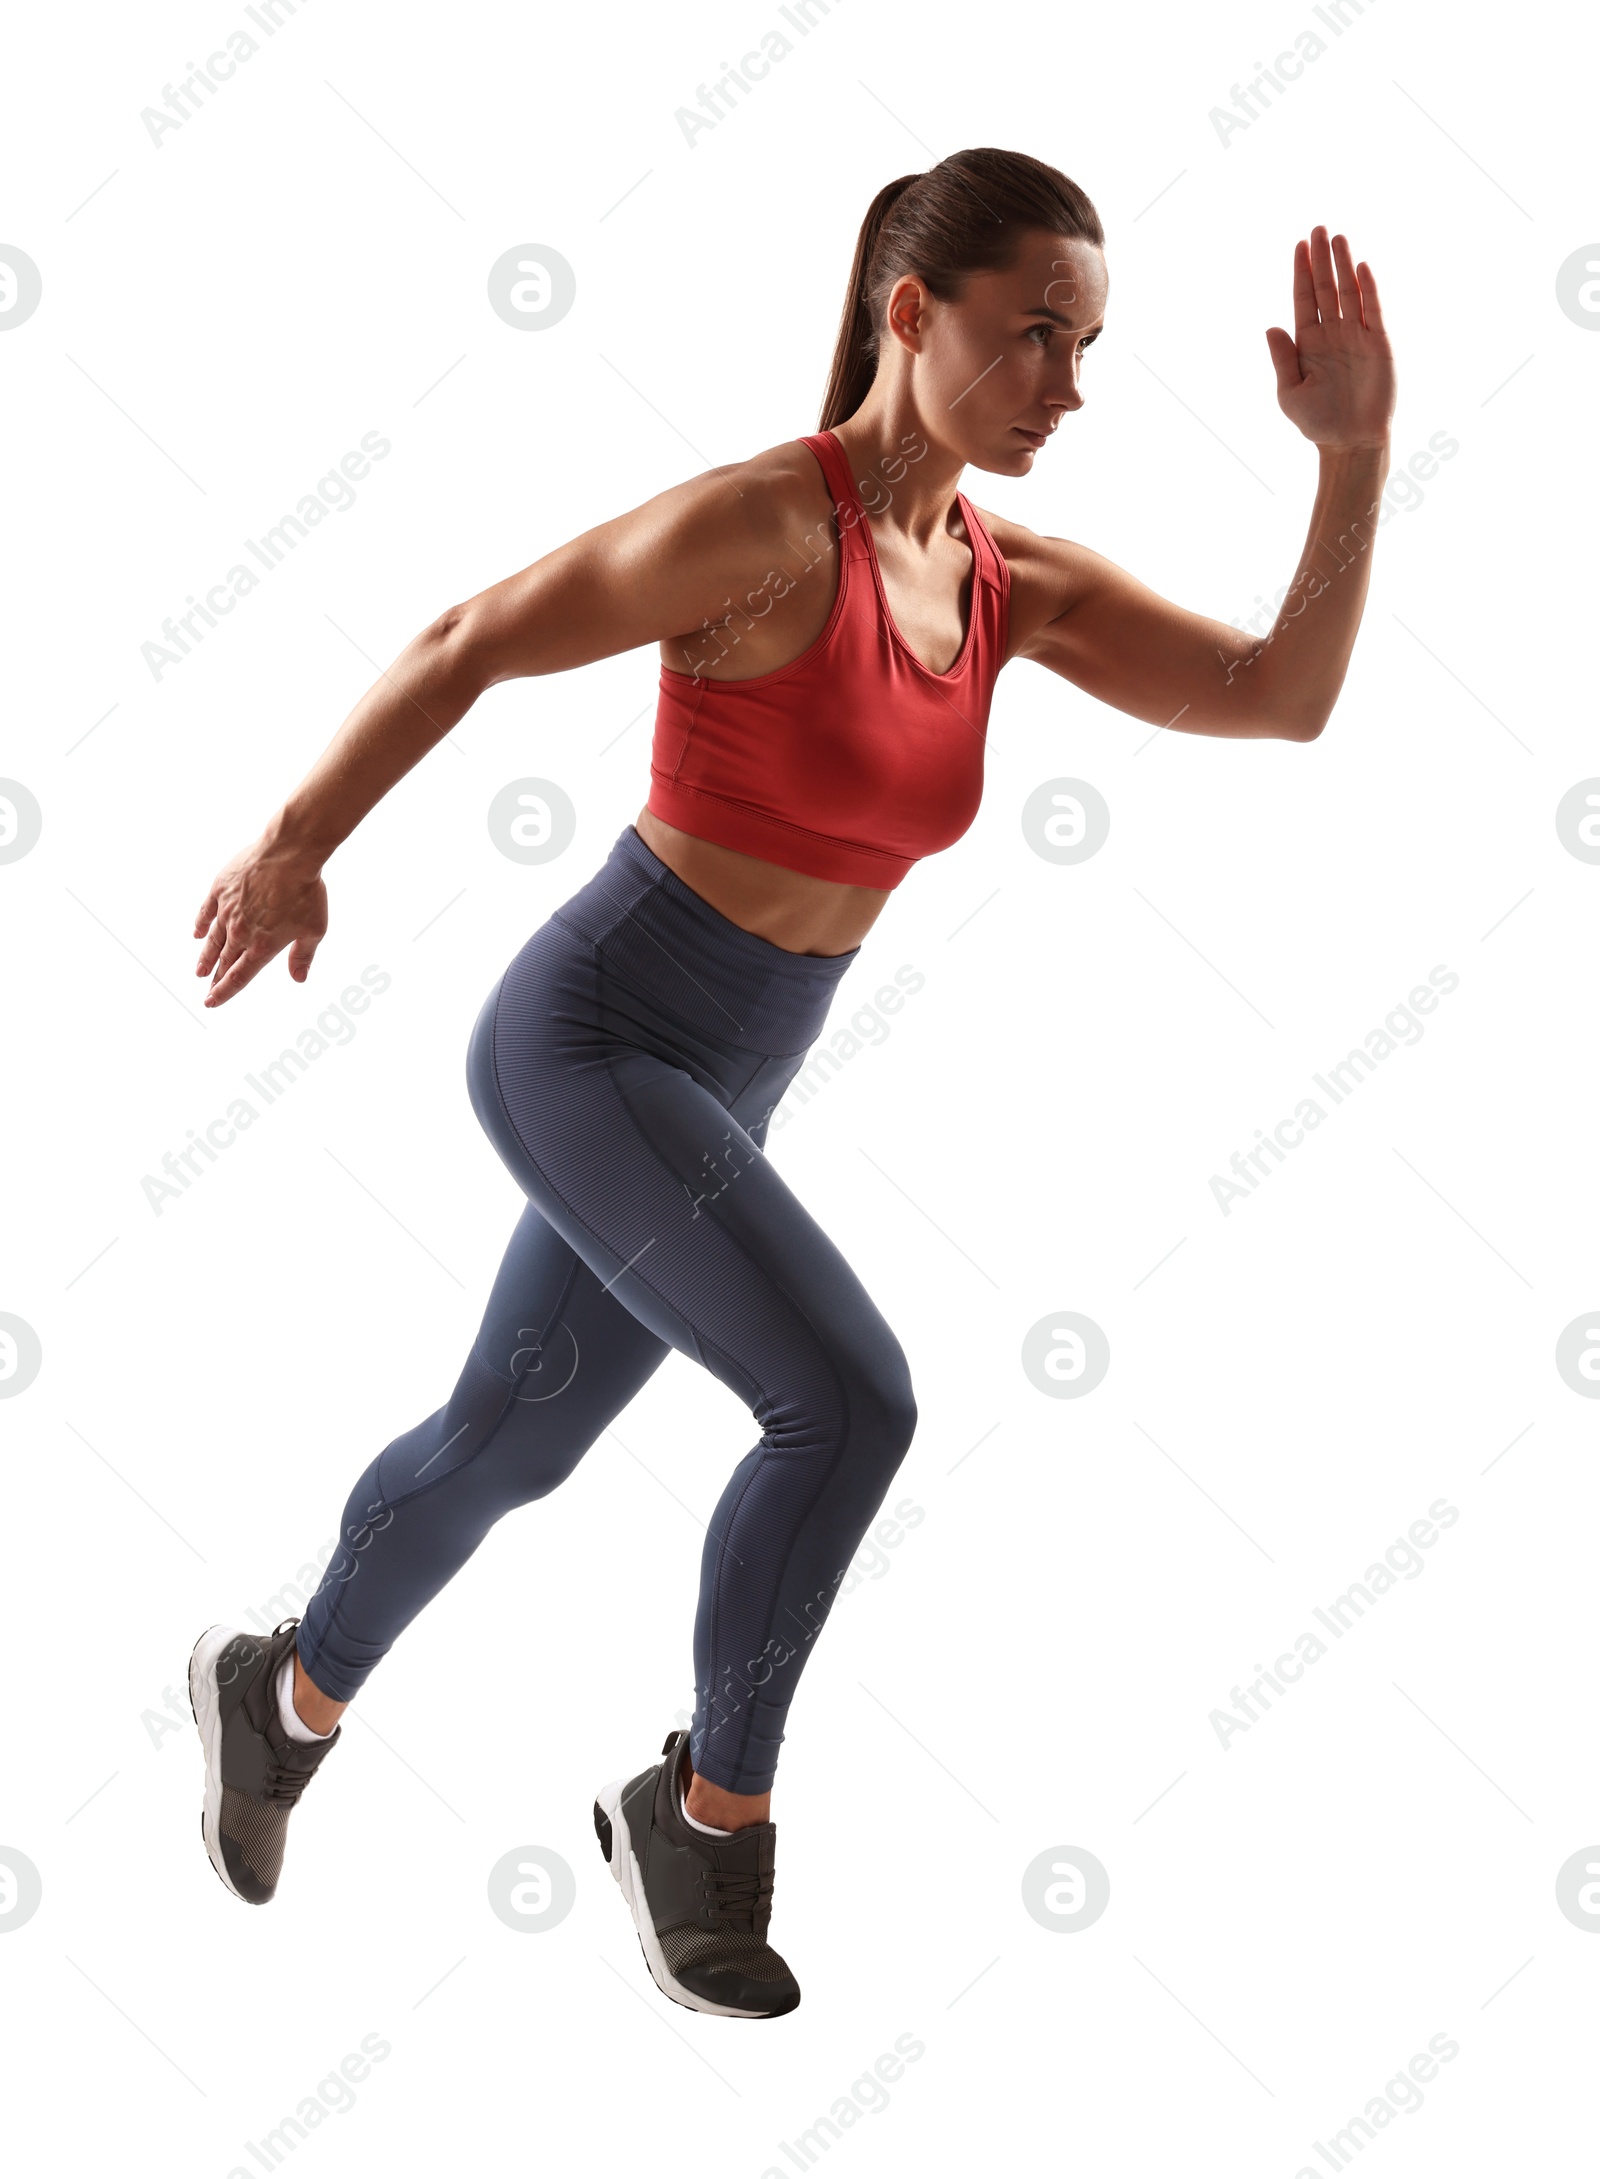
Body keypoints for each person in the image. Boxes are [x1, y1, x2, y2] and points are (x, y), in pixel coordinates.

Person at [185, 147, 1395, 2019]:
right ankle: (705, 1815)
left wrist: (1352, 455)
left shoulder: (1019, 583)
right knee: (846, 1400)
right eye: (1035, 338)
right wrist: (294, 840)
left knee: (516, 1440)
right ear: (911, 314)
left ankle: (277, 1697)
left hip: (732, 1072)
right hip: (591, 1032)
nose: (1068, 386)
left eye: (1092, 349)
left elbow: (1275, 693)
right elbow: (472, 637)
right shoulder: (766, 528)